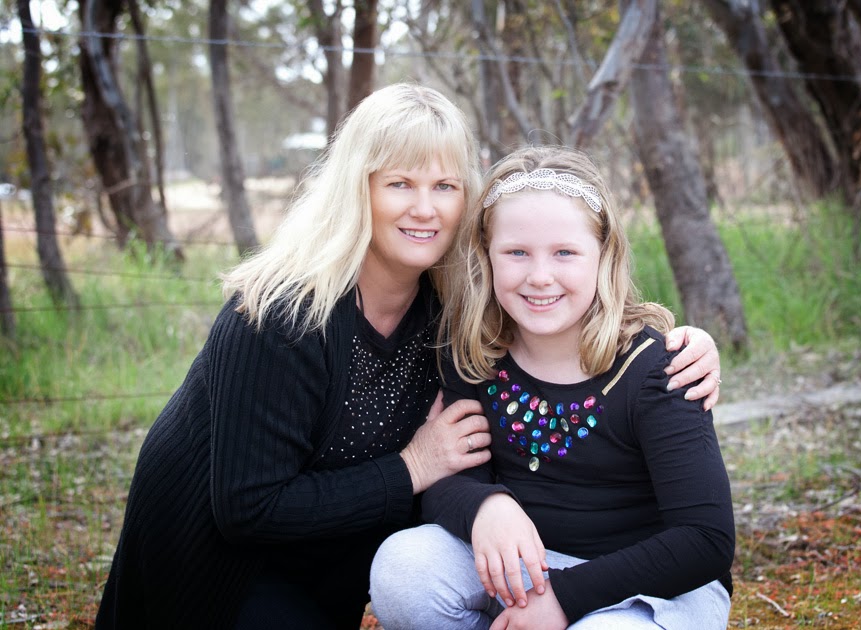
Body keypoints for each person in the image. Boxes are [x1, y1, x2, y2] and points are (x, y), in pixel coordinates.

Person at [95, 85, 722, 630]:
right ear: (357, 191)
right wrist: (418, 469)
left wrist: (688, 341)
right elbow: (248, 509)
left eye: (445, 186)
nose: (425, 208)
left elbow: (581, 316)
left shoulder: (446, 316)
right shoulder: (280, 315)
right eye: (399, 184)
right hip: (219, 568)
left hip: (330, 563)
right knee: (403, 569)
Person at [370, 146, 735, 630]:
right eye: (516, 253)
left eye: (564, 252)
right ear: (486, 257)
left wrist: (564, 599)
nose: (539, 277)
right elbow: (449, 480)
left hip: (652, 589)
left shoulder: (655, 369)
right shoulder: (476, 355)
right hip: (529, 571)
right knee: (403, 567)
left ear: (603, 256)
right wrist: (485, 506)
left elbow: (705, 540)